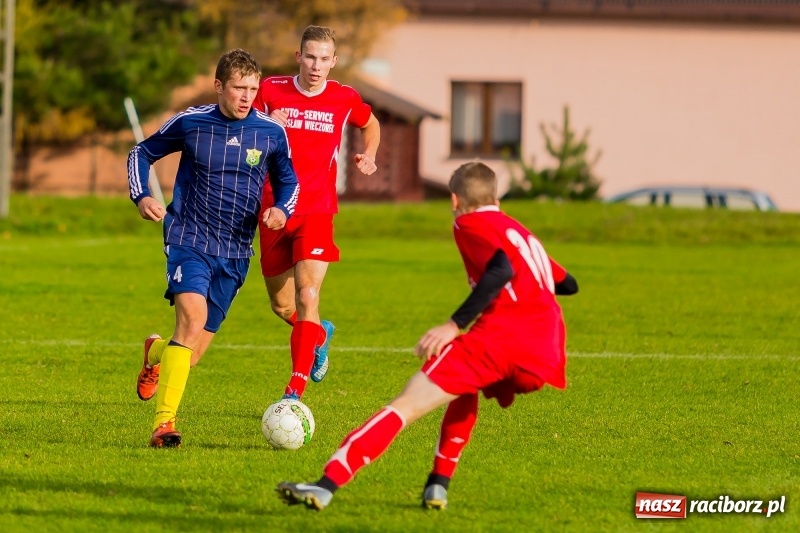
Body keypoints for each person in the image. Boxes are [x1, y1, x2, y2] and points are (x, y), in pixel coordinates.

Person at [275, 161, 579, 510]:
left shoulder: (468, 221)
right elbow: (568, 283)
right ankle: (438, 485)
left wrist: (453, 324)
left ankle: (325, 485)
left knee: (405, 405)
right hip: (546, 351)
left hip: (500, 339)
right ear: (495, 195)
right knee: (463, 387)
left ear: (454, 199)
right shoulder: (522, 233)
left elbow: (501, 269)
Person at [128, 48, 300, 448]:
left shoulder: (270, 133)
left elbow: (290, 182)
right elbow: (142, 152)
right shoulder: (192, 123)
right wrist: (141, 197)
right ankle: (164, 425)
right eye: (239, 88)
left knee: (187, 356)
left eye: (253, 89)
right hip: (188, 237)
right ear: (219, 85)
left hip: (236, 251)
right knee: (191, 317)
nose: (247, 97)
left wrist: (281, 210)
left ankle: (154, 353)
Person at [247, 25, 381, 401]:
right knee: (283, 305)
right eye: (310, 57)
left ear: (334, 62)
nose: (316, 66)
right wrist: (269, 125)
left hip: (318, 210)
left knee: (308, 295)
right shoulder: (271, 90)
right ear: (298, 57)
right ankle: (319, 334)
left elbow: (371, 123)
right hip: (273, 210)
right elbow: (242, 129)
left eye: (324, 59)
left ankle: (295, 391)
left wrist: (368, 154)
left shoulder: (345, 97)